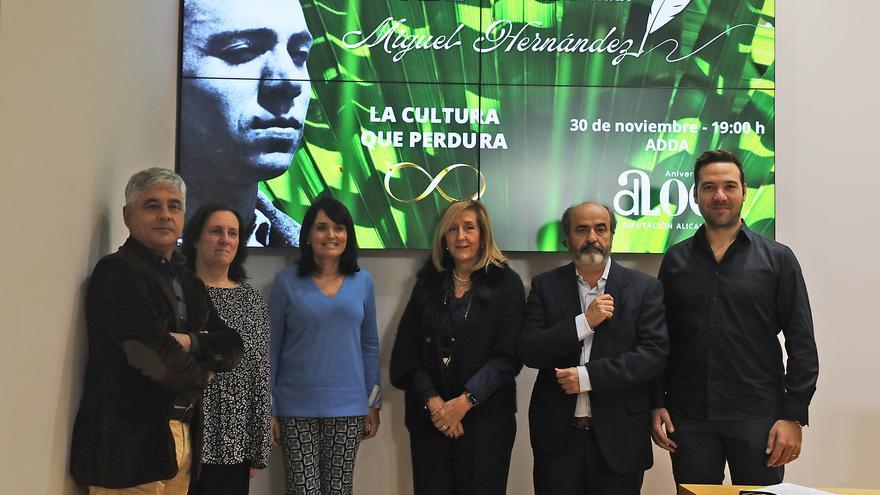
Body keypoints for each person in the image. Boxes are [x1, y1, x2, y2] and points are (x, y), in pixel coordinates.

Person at [650, 149, 819, 486]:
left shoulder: (778, 260)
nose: (720, 196)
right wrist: (655, 402)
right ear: (696, 195)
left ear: (744, 191)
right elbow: (659, 339)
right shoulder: (675, 260)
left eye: (729, 186)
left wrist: (793, 416)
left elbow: (802, 342)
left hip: (759, 418)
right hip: (689, 417)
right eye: (709, 187)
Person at [70, 168, 244, 494]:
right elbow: (150, 354)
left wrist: (190, 342)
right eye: (152, 205)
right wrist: (202, 375)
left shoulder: (187, 278)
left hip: (183, 437)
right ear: (128, 216)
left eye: (174, 206)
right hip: (128, 446)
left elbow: (232, 344)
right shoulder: (117, 271)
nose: (165, 214)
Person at [518, 201, 668, 495]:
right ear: (566, 238)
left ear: (612, 234)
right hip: (558, 439)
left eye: (601, 229)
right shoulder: (545, 286)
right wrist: (584, 322)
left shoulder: (644, 288)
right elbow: (529, 350)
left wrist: (588, 377)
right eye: (581, 230)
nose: (592, 238)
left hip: (621, 438)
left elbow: (653, 355)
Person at [390, 200, 526, 495]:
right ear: (444, 238)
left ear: (483, 235)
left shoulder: (508, 284)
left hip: (486, 421)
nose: (460, 236)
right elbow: (407, 351)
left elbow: (508, 356)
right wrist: (435, 403)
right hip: (431, 420)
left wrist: (463, 403)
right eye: (452, 229)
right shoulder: (427, 284)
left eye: (469, 228)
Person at [268, 197, 380, 495]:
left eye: (339, 228)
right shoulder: (285, 282)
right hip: (295, 408)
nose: (331, 235)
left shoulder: (363, 281)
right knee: (302, 490)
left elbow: (369, 344)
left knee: (339, 490)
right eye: (322, 228)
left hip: (349, 409)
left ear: (348, 235)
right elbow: (272, 347)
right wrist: (271, 407)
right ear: (307, 235)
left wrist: (373, 402)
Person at [179, 0, 313, 247]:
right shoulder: (137, 261)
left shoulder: (304, 251)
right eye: (241, 52)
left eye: (299, 54)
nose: (289, 82)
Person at [180, 204, 272, 495]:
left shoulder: (252, 301)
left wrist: (258, 447)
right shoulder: (178, 293)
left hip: (234, 443)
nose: (225, 239)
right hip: (184, 435)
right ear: (196, 239)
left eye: (232, 233)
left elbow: (260, 376)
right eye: (216, 231)